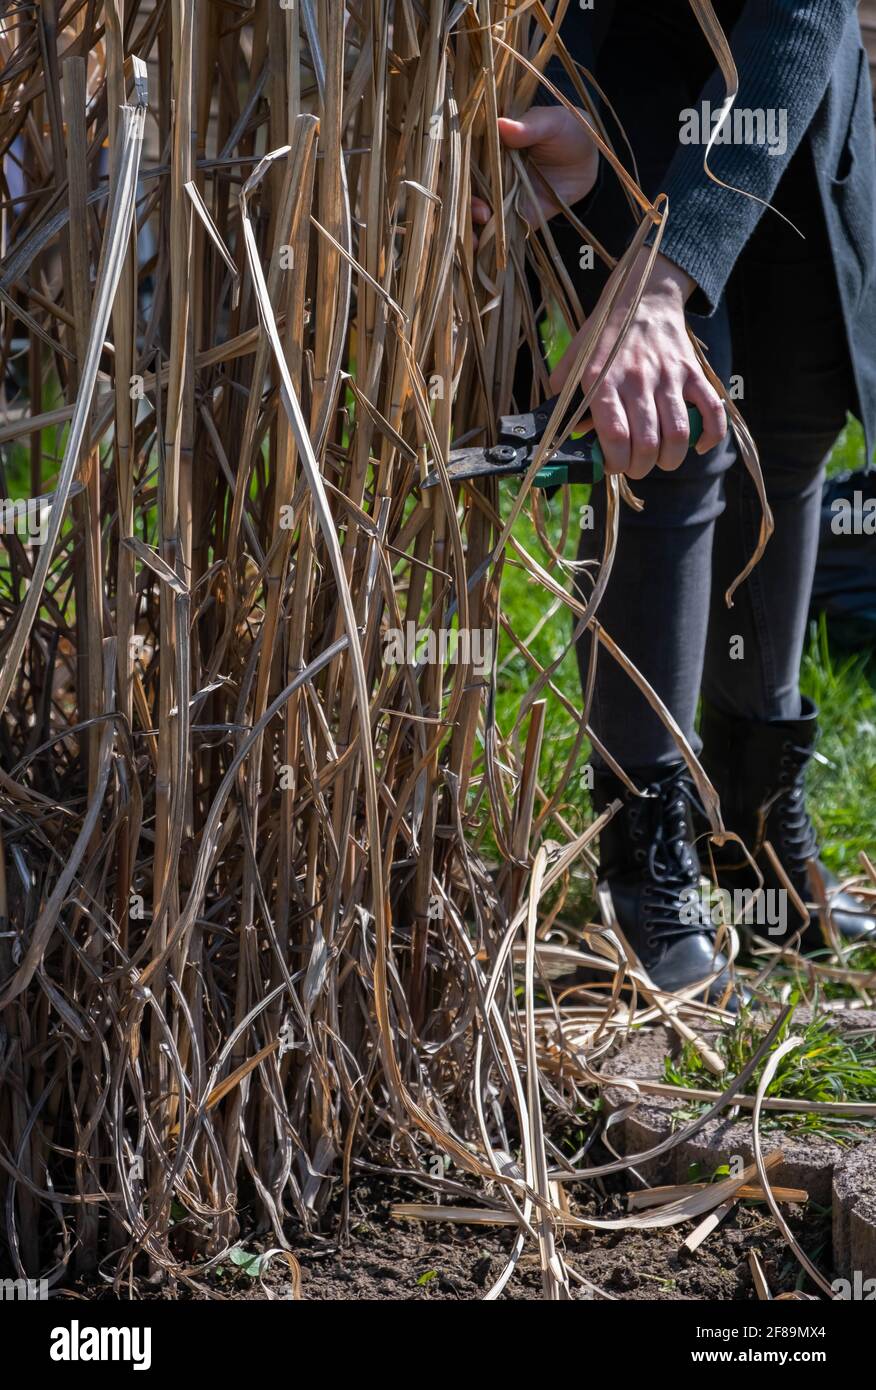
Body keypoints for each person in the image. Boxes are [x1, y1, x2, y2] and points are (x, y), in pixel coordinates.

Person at [473, 1, 876, 1000]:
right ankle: (648, 859)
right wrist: (553, 87)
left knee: (791, 413)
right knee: (668, 435)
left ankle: (751, 832)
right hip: (618, 93)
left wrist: (673, 264)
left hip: (786, 84)